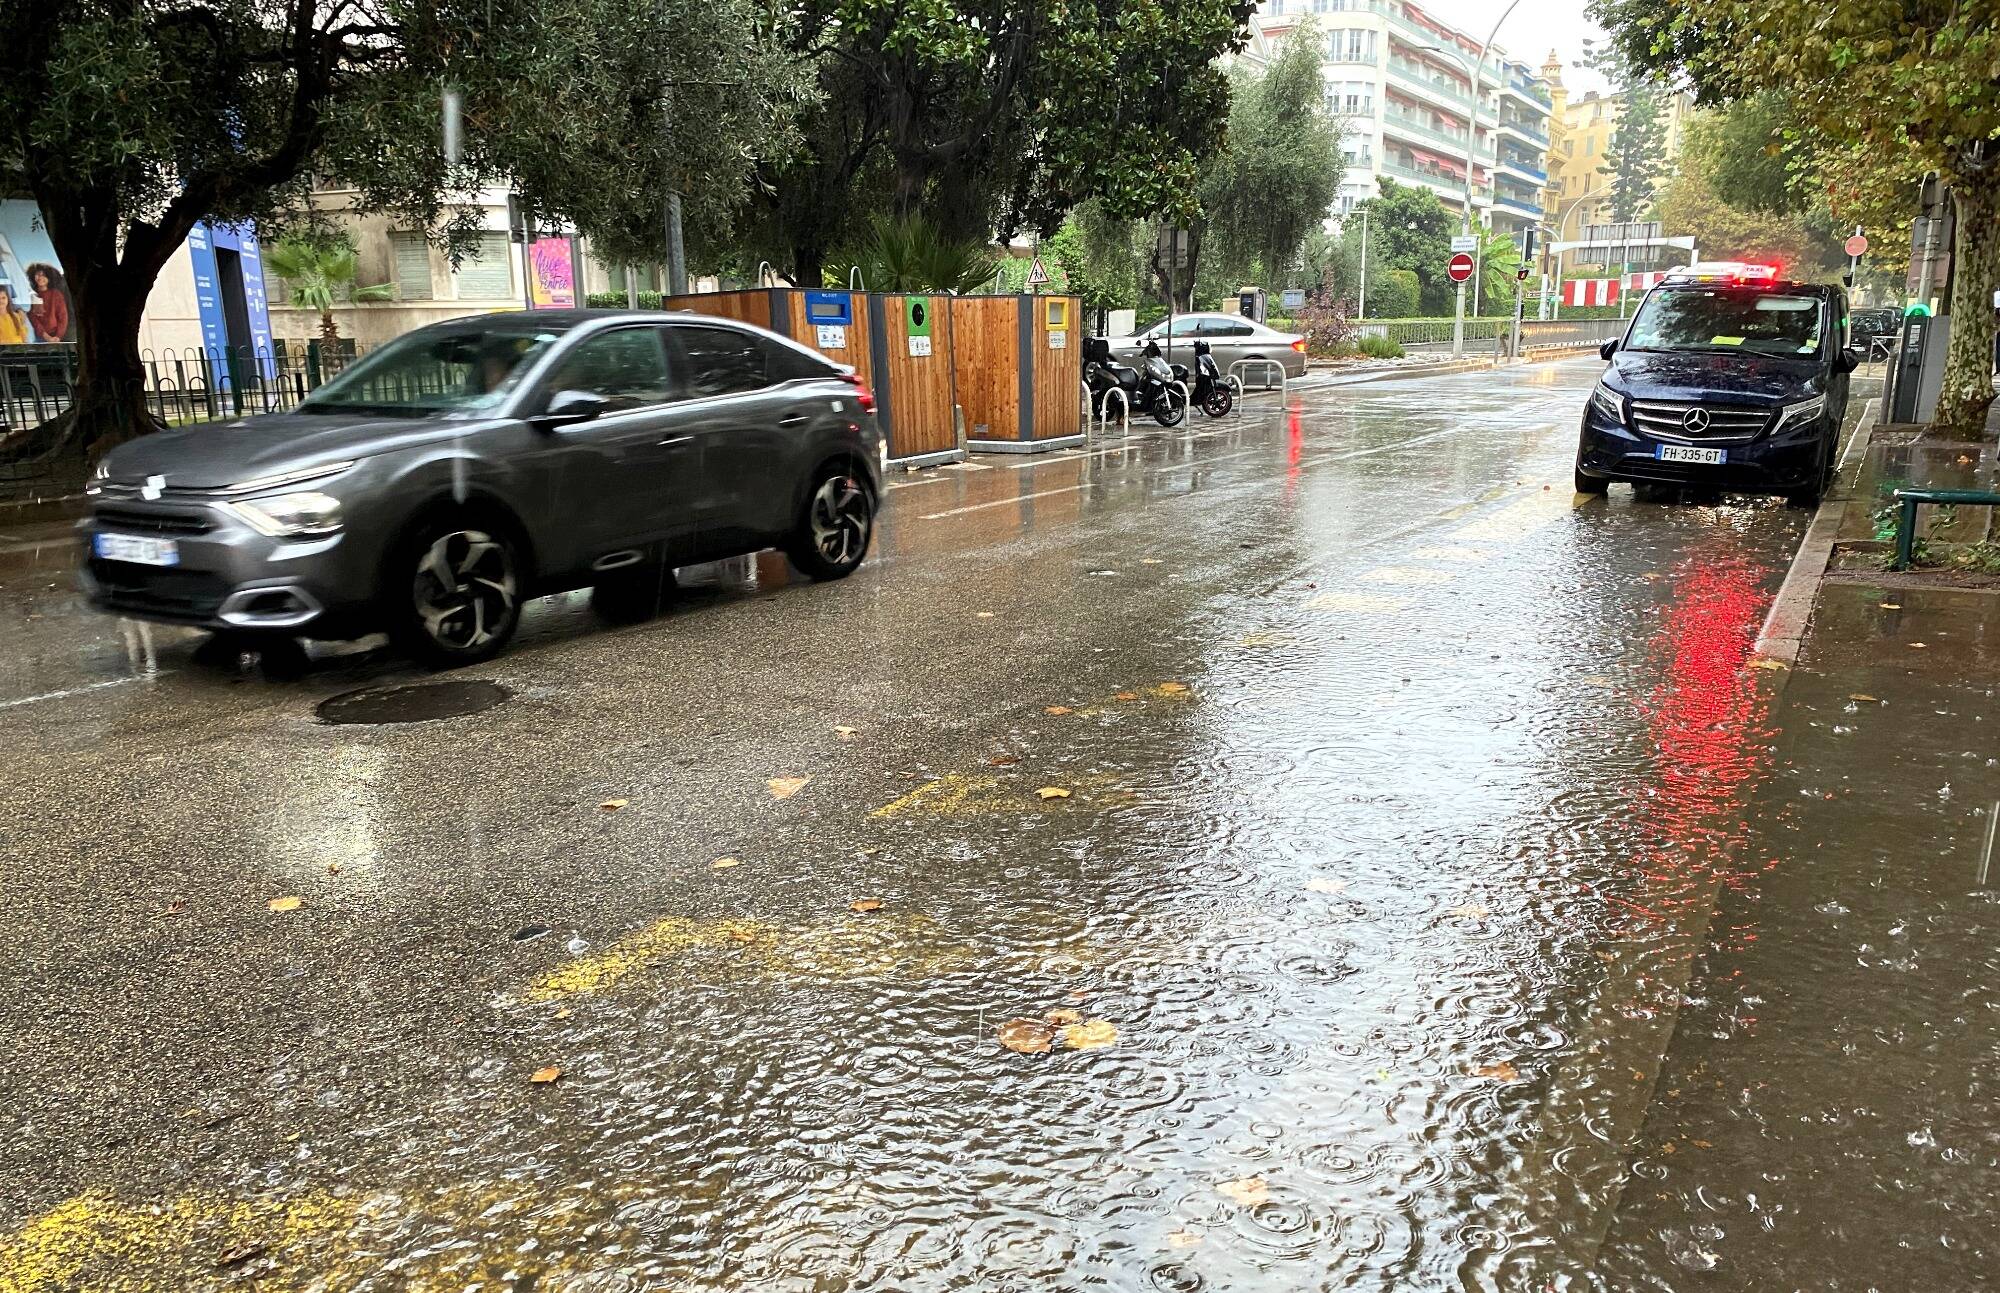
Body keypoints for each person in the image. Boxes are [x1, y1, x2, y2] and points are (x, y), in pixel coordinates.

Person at [25, 262, 71, 342]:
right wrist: (45, 336)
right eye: (38, 274)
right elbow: (34, 319)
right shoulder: (33, 295)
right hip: (38, 337)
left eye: (44, 275)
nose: (40, 277)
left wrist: (58, 336)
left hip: (56, 336)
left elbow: (63, 317)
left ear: (49, 278)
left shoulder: (56, 294)